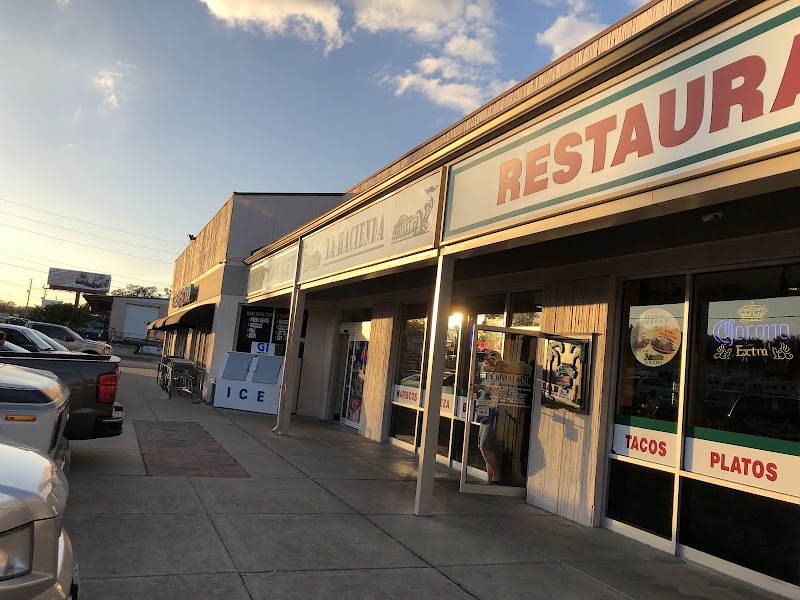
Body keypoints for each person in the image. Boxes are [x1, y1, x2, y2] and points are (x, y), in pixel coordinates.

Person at [474, 349, 503, 484]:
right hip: (483, 412)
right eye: (487, 361)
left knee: (485, 446)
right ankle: (489, 478)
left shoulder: (500, 375)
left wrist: (480, 386)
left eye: (491, 361)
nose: (488, 363)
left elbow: (495, 390)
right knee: (483, 446)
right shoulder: (489, 376)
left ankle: (497, 475)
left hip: (491, 413)